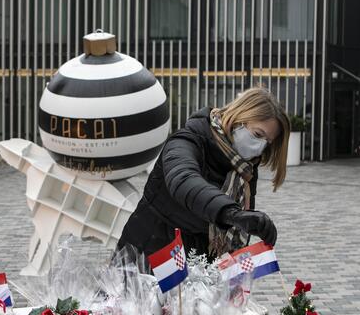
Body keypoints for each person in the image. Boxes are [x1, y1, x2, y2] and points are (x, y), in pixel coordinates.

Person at [117, 87, 290, 258]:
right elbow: (184, 180)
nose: (260, 146)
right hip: (150, 252)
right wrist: (231, 213)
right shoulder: (188, 140)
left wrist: (252, 224)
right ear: (239, 118)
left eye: (267, 141)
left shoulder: (244, 167)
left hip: (199, 261)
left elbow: (239, 224)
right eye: (258, 134)